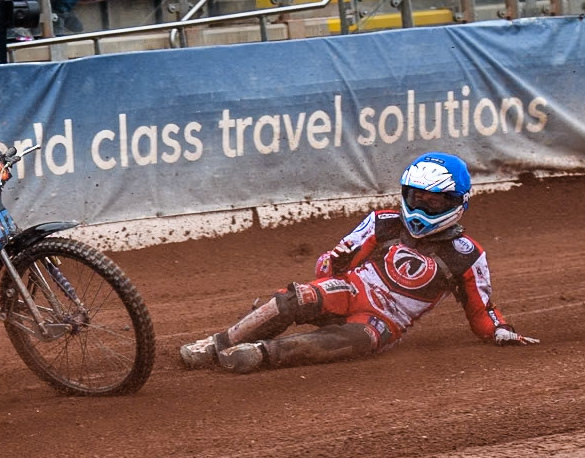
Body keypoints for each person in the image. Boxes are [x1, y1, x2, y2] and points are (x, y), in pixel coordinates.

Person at [179, 151, 540, 374]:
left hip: (383, 321)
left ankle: (259, 354)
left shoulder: (467, 254)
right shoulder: (383, 221)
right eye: (416, 197)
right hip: (350, 290)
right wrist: (334, 261)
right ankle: (216, 343)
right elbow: (327, 269)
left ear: (457, 202)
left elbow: (482, 310)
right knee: (294, 297)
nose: (422, 206)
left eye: (433, 202)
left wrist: (501, 331)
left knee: (355, 338)